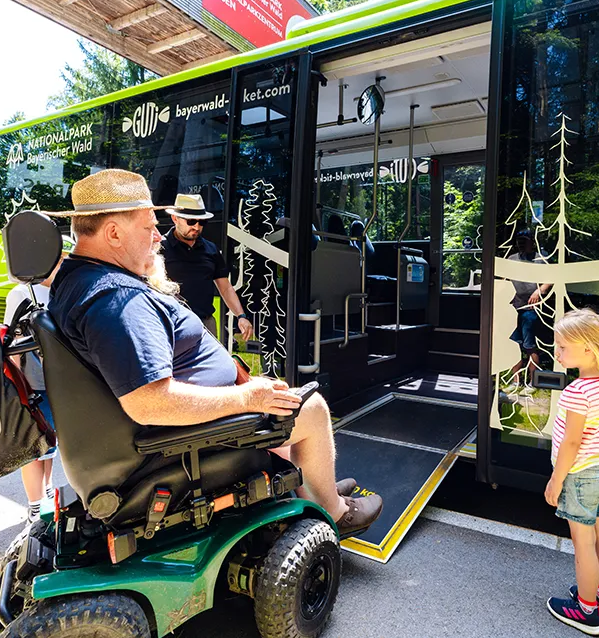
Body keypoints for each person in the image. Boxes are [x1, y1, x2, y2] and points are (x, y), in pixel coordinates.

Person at [46, 169, 382, 537]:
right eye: (149, 227)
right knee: (311, 408)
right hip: (174, 442)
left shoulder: (77, 277)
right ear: (113, 233)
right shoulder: (117, 300)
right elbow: (148, 402)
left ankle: (318, 488)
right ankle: (334, 511)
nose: (158, 236)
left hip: (153, 433)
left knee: (276, 396)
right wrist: (247, 398)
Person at [544, 309, 599, 636]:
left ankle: (587, 611)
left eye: (563, 347)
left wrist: (556, 480)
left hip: (578, 477)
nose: (557, 353)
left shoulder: (577, 392)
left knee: (583, 544)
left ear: (589, 349)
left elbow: (572, 442)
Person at [3, 234, 74, 522]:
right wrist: (18, 386)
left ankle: (45, 492)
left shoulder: (67, 289)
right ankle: (34, 506)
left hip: (64, 382)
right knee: (34, 445)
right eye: (60, 259)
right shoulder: (22, 293)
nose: (63, 264)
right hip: (35, 382)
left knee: (50, 444)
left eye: (67, 259)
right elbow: (10, 341)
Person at [160, 193, 253, 341]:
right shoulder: (158, 248)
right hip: (170, 323)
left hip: (205, 324)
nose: (196, 227)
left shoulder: (211, 249)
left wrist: (241, 316)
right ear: (175, 218)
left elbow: (225, 288)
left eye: (201, 222)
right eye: (191, 221)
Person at [508, 233, 551, 395]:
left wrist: (539, 291)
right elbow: (504, 278)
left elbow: (551, 278)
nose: (521, 244)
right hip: (514, 307)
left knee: (529, 346)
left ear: (532, 243)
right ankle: (515, 381)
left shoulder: (540, 258)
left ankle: (532, 383)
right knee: (514, 346)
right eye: (519, 241)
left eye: (524, 241)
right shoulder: (512, 259)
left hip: (531, 309)